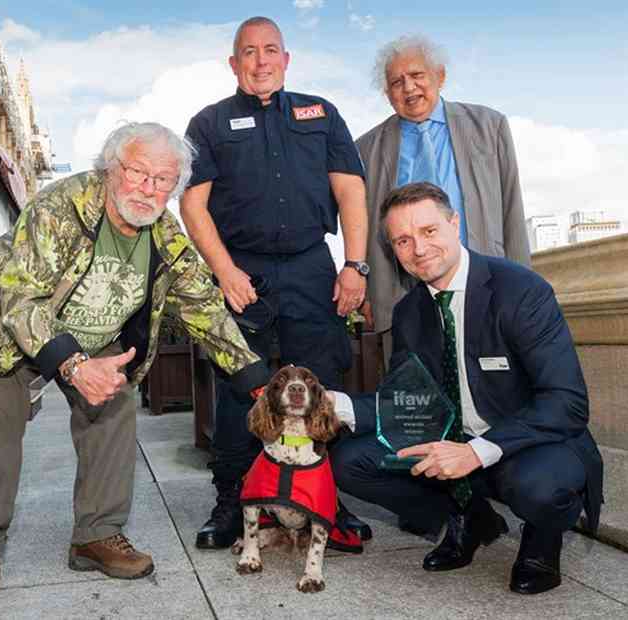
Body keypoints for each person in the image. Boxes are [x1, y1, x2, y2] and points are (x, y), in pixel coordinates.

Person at [0, 122, 270, 609]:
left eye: (163, 180)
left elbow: (203, 305)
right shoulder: (60, 207)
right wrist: (72, 366)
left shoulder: (164, 233)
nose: (149, 188)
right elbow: (20, 298)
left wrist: (255, 380)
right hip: (3, 339)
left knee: (114, 408)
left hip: (94, 338)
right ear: (110, 169)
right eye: (138, 172)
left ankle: (96, 536)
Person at [330, 182, 603, 595]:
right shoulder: (409, 313)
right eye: (403, 240)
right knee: (351, 461)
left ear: (454, 224)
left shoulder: (521, 291)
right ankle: (469, 516)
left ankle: (541, 540)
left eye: (428, 231)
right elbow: (412, 402)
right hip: (453, 439)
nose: (418, 249)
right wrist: (339, 406)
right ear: (393, 249)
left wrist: (476, 452)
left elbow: (566, 402)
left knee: (539, 487)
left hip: (529, 443)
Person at [181, 16, 369, 549]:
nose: (260, 61)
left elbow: (351, 191)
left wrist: (354, 265)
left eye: (270, 51)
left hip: (313, 268)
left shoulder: (322, 114)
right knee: (241, 388)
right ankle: (230, 503)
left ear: (286, 59)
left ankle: (327, 502)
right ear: (233, 63)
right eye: (248, 52)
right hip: (243, 272)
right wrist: (224, 271)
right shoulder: (210, 123)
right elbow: (192, 204)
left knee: (321, 387)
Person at [357, 35, 531, 364]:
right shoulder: (365, 149)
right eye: (397, 81)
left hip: (485, 285)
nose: (409, 88)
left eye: (417, 76)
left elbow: (511, 205)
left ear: (441, 75)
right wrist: (368, 288)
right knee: (418, 397)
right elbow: (363, 227)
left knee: (495, 384)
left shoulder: (489, 126)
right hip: (405, 293)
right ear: (387, 93)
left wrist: (522, 282)